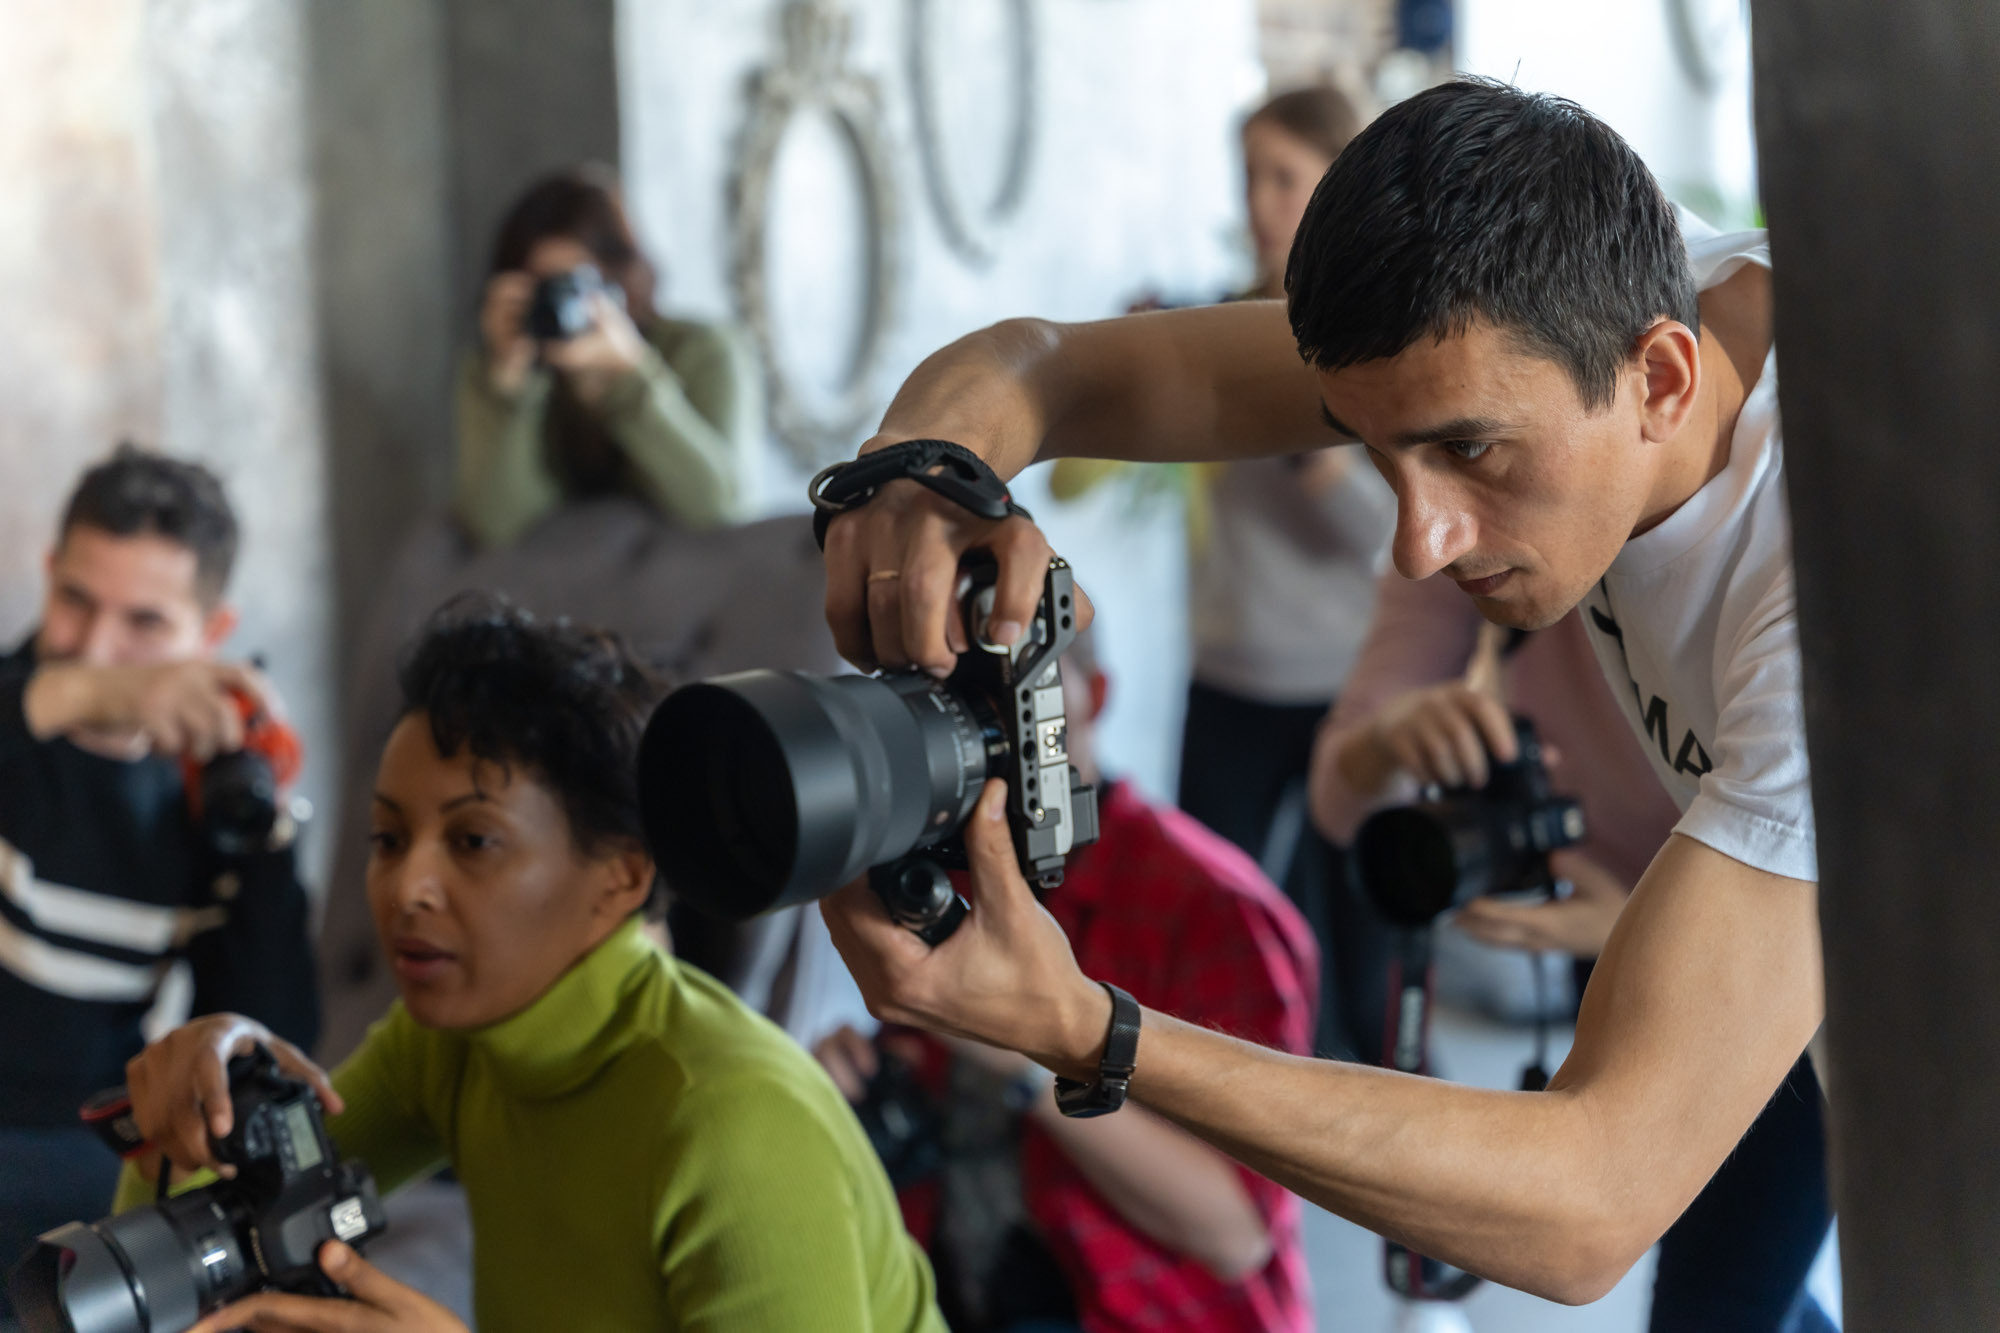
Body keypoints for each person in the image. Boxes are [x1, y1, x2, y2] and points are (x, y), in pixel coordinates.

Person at [815, 78, 1825, 1305]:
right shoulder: (1588, 293)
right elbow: (1048, 368)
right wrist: (921, 477)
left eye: (1467, 451)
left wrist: (1086, 1029)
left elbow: (1587, 1201)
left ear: (1660, 383)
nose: (1418, 545)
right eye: (1376, 451)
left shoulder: (1821, 608)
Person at [120, 598, 943, 1332]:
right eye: (388, 838)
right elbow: (229, 1233)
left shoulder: (732, 1121)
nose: (408, 888)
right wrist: (194, 1102)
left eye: (474, 840)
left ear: (622, 873)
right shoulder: (451, 1037)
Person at [1312, 571, 1833, 1331]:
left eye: (1472, 446)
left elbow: (1816, 883)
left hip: (1785, 967)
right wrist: (1391, 738)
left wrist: (1633, 924)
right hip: (1607, 918)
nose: (1426, 527)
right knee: (1733, 1282)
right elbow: (1339, 794)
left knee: (1719, 1298)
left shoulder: (1762, 575)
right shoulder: (1452, 543)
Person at [815, 632, 1318, 1333]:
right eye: (963, 701)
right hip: (957, 1280)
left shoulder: (1217, 909)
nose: (999, 731)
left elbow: (1236, 1231)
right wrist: (850, 1078)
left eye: (1022, 696)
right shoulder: (947, 867)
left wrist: (1031, 1060)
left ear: (1099, 695)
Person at [1054, 88, 1396, 1057]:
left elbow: (1392, 540)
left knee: (1366, 975)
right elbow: (1077, 478)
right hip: (1231, 680)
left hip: (1354, 688)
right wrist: (1116, 374)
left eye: (1282, 177)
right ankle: (1202, 1178)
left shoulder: (1384, 337)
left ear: (1336, 183)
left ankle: (1400, 1205)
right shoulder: (1213, 335)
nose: (1258, 200)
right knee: (1205, 942)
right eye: (1247, 175)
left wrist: (1314, 456)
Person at [0, 448, 319, 1312]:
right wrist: (69, 699)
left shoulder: (202, 797)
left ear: (209, 637)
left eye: (144, 623)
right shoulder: (14, 709)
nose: (98, 648)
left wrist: (264, 834)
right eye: (74, 601)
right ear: (48, 574)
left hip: (83, 1150)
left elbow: (270, 1034)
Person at [454, 167, 758, 550]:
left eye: (571, 285)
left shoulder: (705, 351)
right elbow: (497, 525)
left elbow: (722, 512)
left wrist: (630, 376)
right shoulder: (499, 372)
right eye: (540, 289)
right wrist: (510, 391)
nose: (557, 307)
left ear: (619, 280)